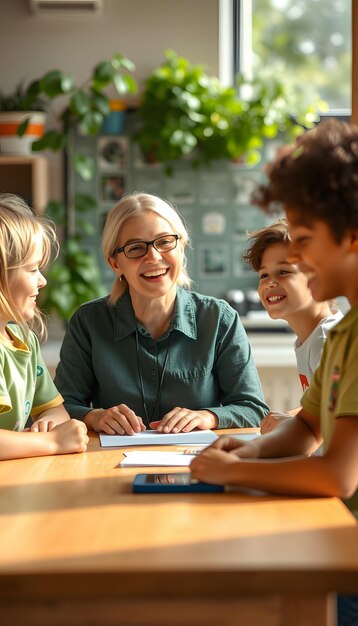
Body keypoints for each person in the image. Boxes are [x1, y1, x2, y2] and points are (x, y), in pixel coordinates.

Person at [191, 119, 358, 514]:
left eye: (303, 242)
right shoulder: (342, 336)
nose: (295, 260)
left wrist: (233, 473)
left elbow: (339, 475)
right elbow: (306, 427)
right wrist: (249, 451)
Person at [54, 192, 269, 435]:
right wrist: (94, 417)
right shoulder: (88, 322)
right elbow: (58, 409)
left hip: (196, 464)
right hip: (107, 463)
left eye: (165, 241)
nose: (154, 257)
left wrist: (208, 416)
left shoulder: (219, 319)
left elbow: (253, 409)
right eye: (135, 248)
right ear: (115, 263)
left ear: (182, 246)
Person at [0, 193, 88, 460]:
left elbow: (56, 410)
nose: (42, 281)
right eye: (32, 269)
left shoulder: (23, 341)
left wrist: (49, 422)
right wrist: (51, 442)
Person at [243, 219, 343, 434]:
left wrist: (294, 425)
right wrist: (294, 416)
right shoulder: (312, 338)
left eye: (284, 272)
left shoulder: (326, 341)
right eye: (264, 275)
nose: (270, 282)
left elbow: (341, 422)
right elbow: (327, 406)